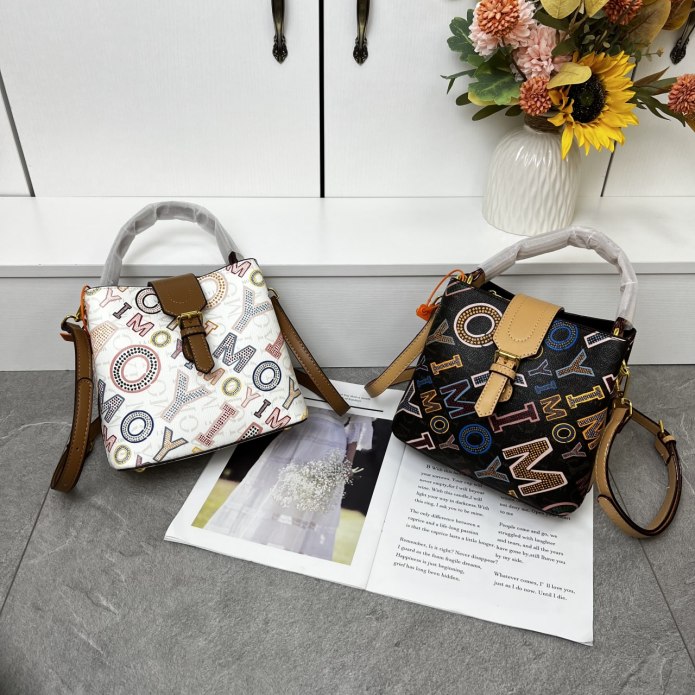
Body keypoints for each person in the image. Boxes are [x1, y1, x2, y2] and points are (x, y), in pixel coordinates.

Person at [205, 409, 373, 560]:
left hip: (330, 444)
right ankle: (253, 542)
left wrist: (347, 464)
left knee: (307, 504)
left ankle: (289, 554)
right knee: (272, 489)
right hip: (296, 433)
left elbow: (358, 425)